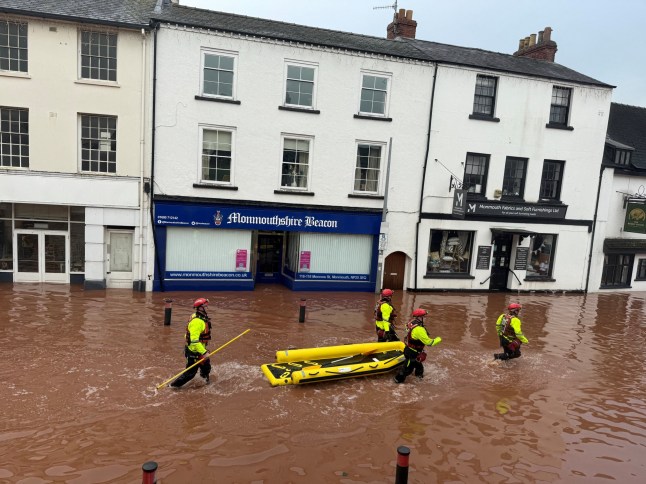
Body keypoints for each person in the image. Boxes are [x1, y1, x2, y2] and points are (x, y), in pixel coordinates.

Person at [170, 298, 213, 388]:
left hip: (200, 349)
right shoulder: (197, 322)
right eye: (205, 306)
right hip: (194, 351)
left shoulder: (199, 316)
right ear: (200, 308)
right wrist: (204, 352)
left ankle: (205, 383)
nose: (207, 307)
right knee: (190, 374)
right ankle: (173, 387)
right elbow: (194, 341)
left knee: (206, 367)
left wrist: (203, 351)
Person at [394, 309, 441, 383]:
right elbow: (429, 343)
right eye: (424, 316)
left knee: (419, 367)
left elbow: (407, 332)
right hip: (412, 353)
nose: (425, 318)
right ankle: (397, 382)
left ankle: (419, 381)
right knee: (406, 370)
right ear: (420, 317)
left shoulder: (411, 323)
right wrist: (439, 339)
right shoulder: (419, 329)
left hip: (409, 349)